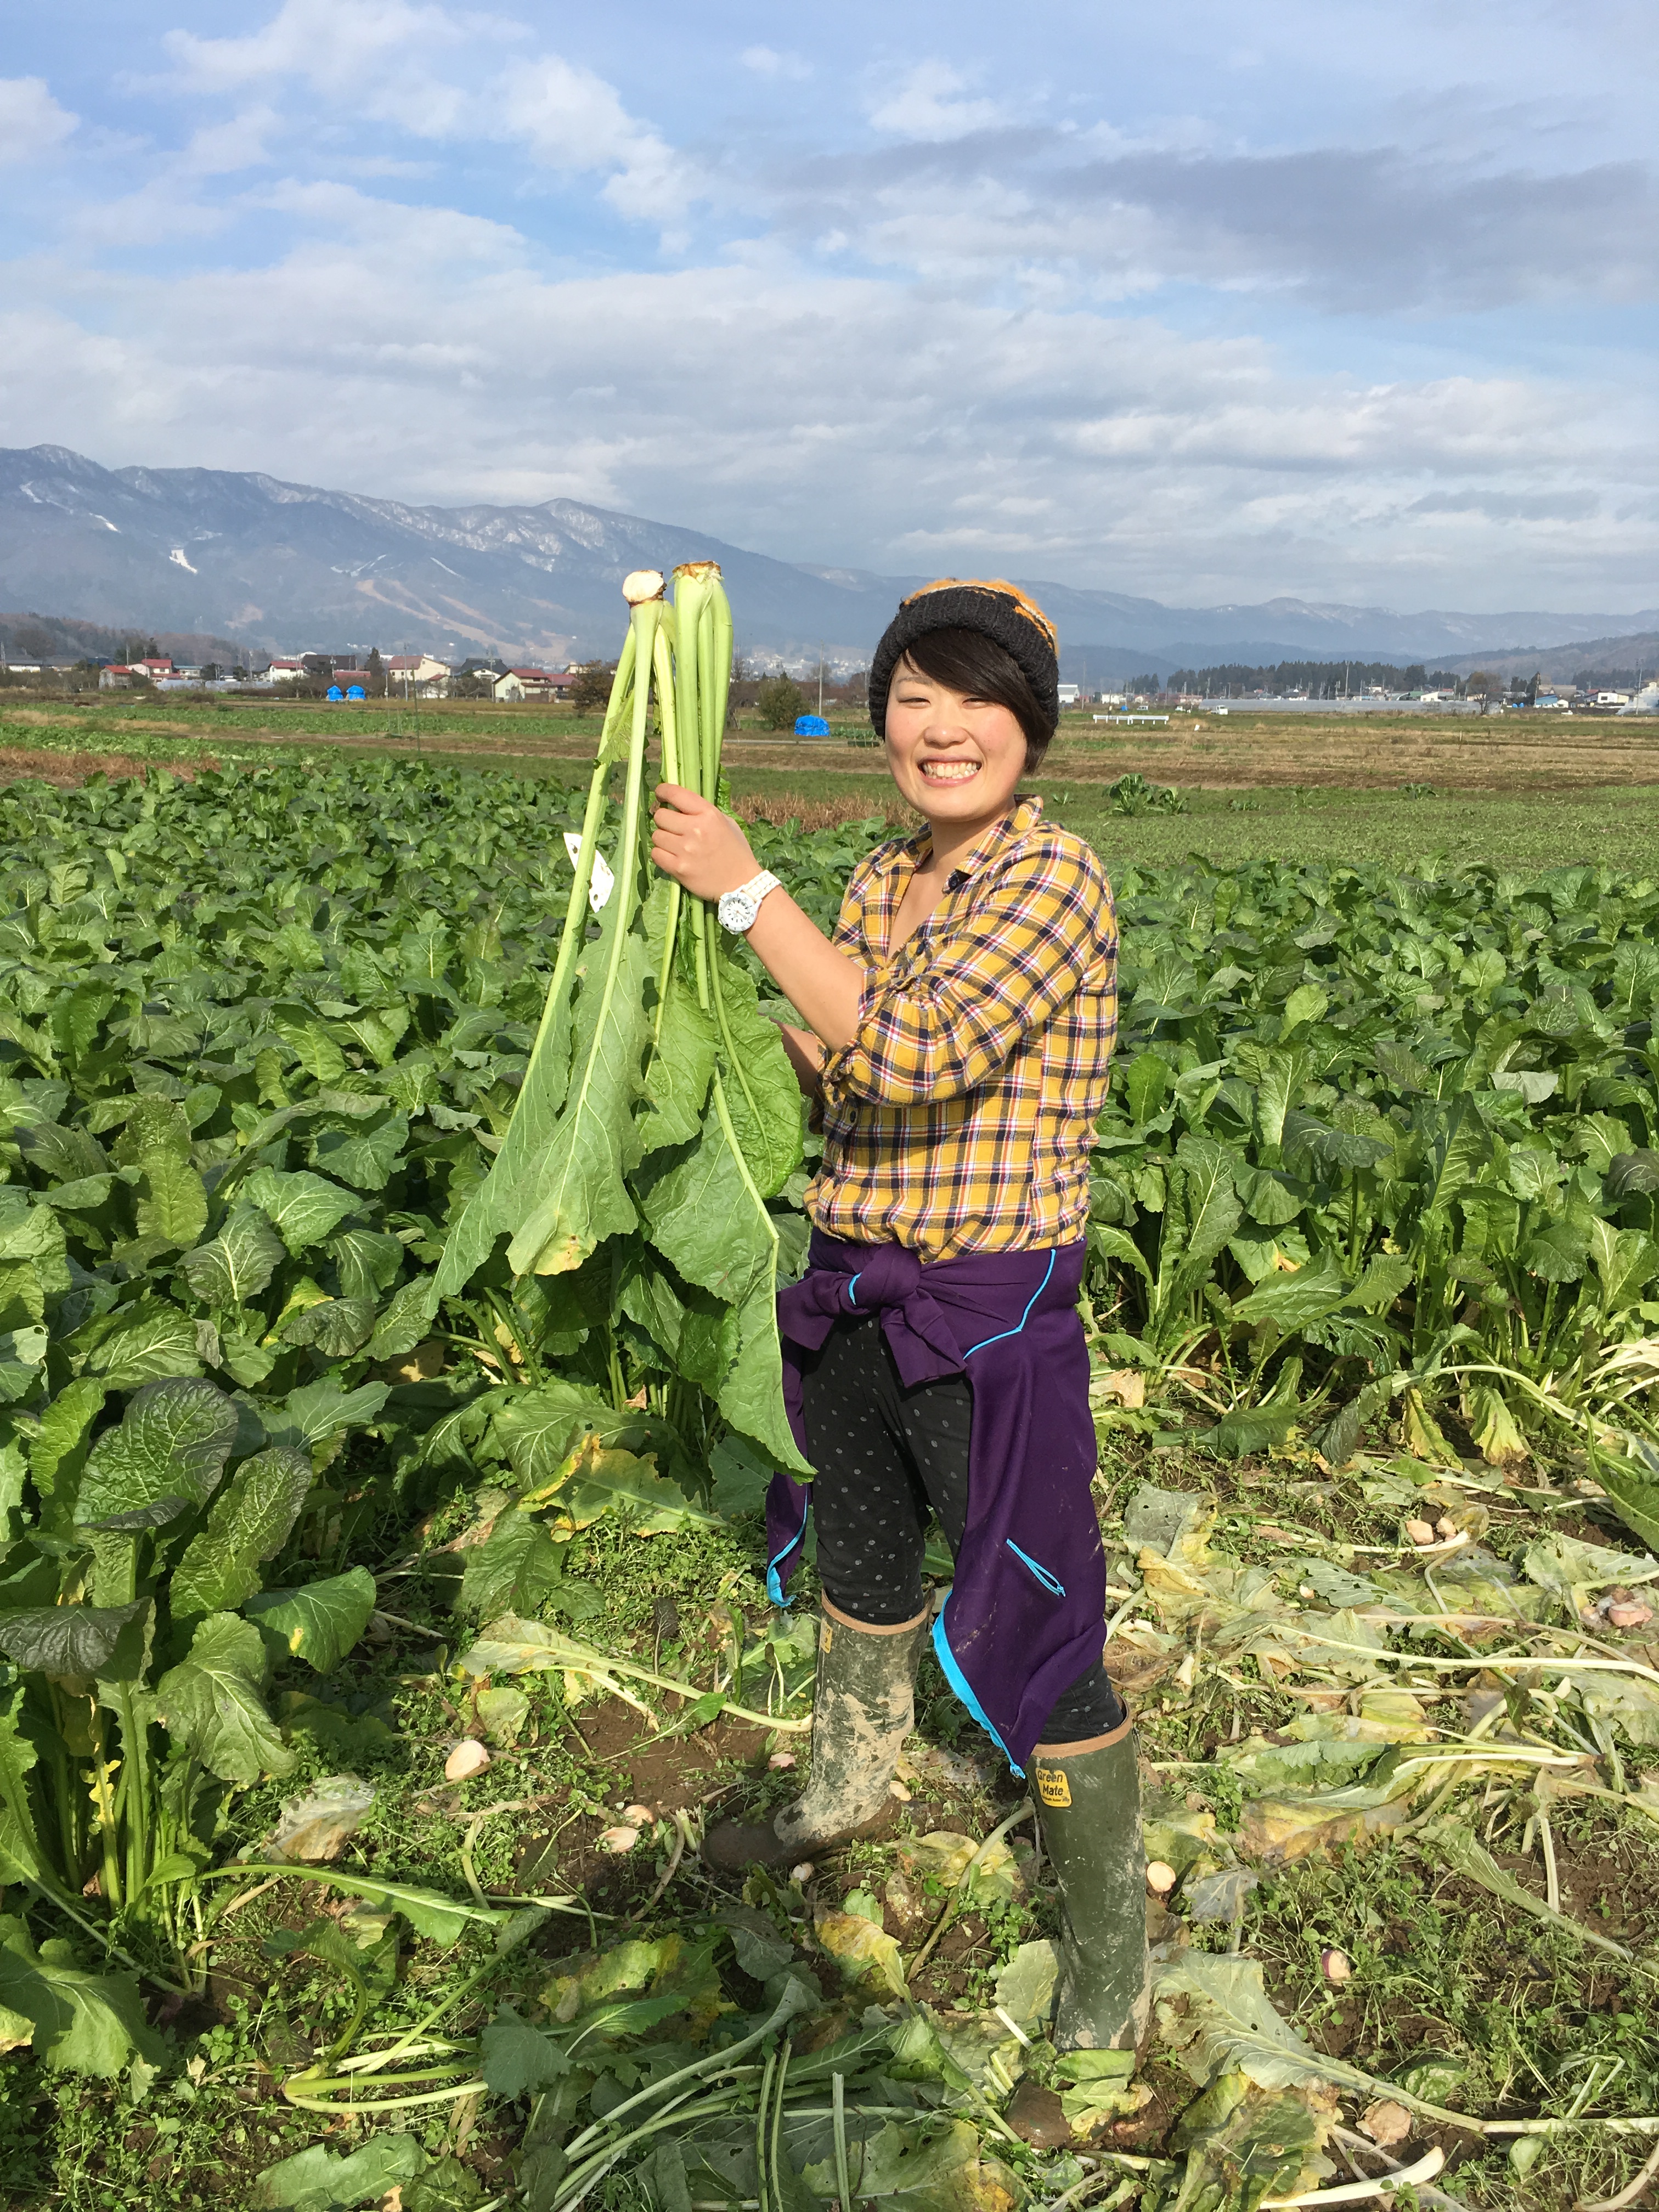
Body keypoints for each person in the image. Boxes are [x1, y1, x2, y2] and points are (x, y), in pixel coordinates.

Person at [649, 579, 1147, 2053]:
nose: (943, 729)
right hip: (855, 1280)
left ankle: (1113, 1970)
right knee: (859, 1553)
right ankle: (847, 1784)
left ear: (1031, 728)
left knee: (1034, 1609)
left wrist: (744, 895)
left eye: (978, 699)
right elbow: (851, 1066)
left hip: (988, 1311)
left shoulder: (1056, 883)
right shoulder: (880, 880)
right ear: (881, 719)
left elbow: (918, 1054)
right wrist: (726, 1025)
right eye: (915, 698)